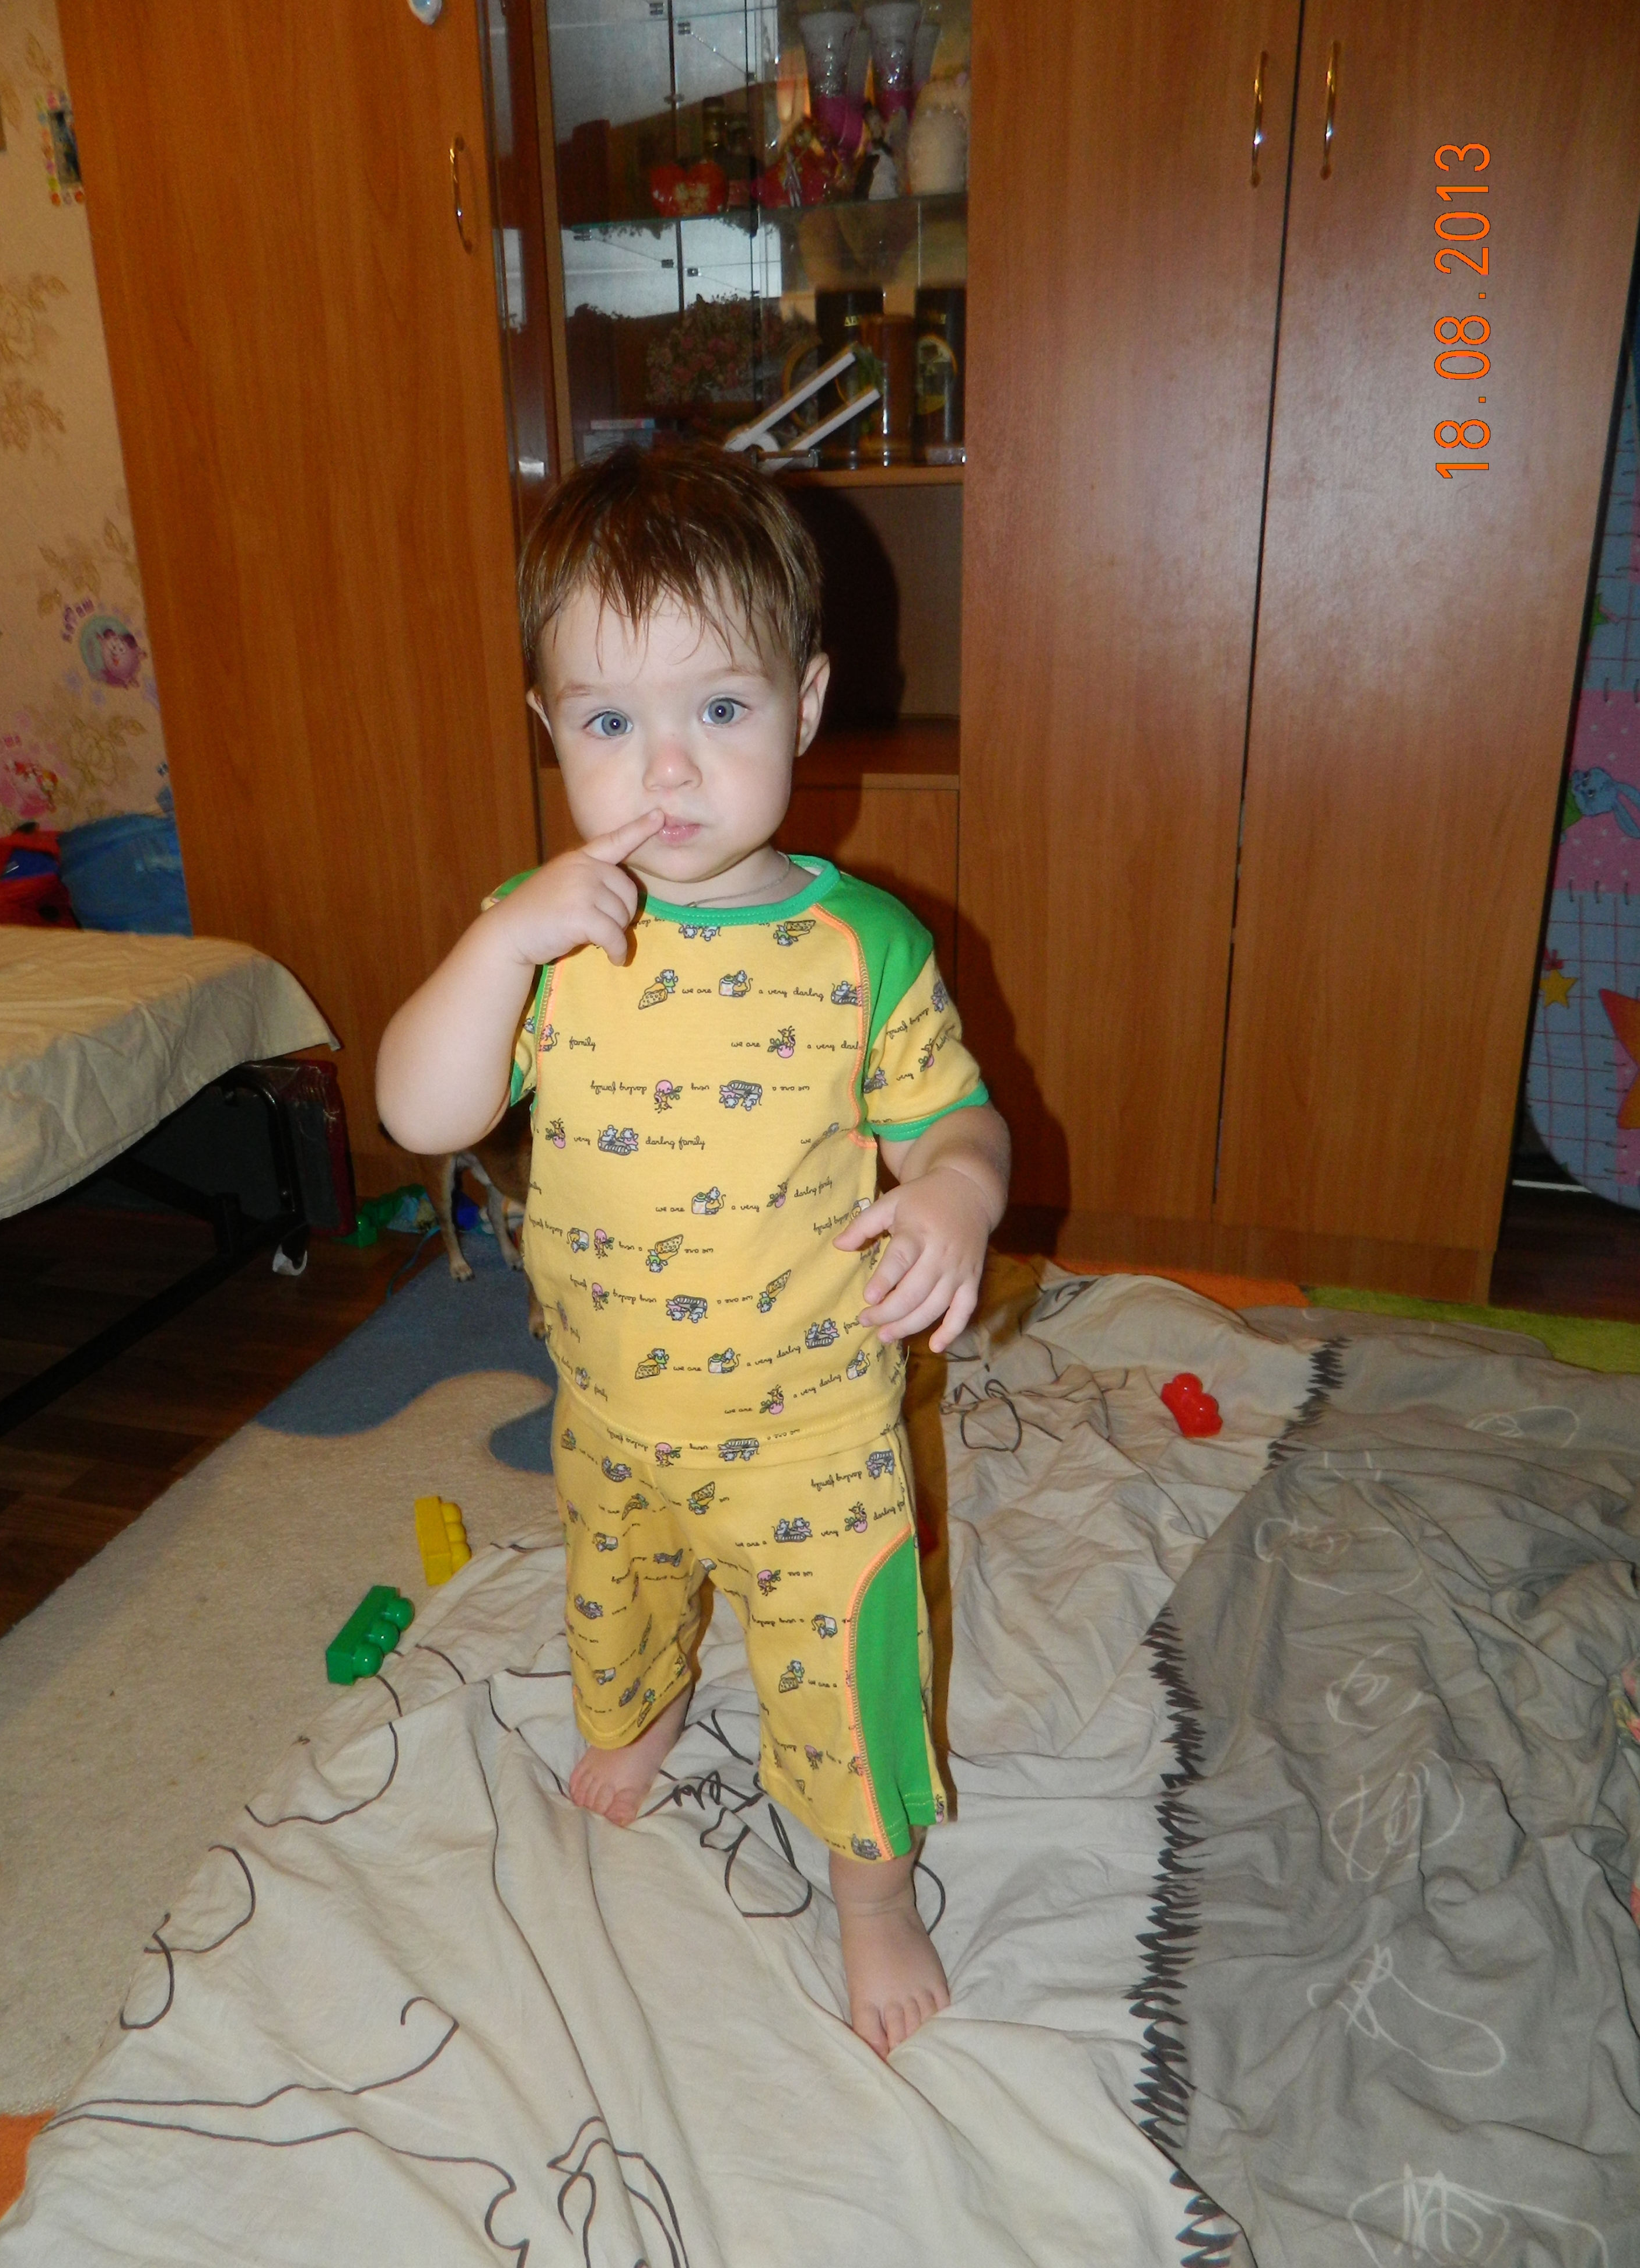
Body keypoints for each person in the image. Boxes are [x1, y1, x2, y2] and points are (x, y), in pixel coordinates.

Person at [377, 444, 1009, 2057]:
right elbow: (424, 1113)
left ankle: (874, 1899)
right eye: (609, 724)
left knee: (847, 1688)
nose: (666, 770)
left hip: (813, 1433)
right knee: (619, 1618)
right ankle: (647, 1715)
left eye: (718, 709)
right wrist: (493, 947)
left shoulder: (863, 947)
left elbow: (958, 1120)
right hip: (609, 1411)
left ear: (804, 707)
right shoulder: (548, 932)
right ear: (550, 730)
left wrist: (955, 1193)